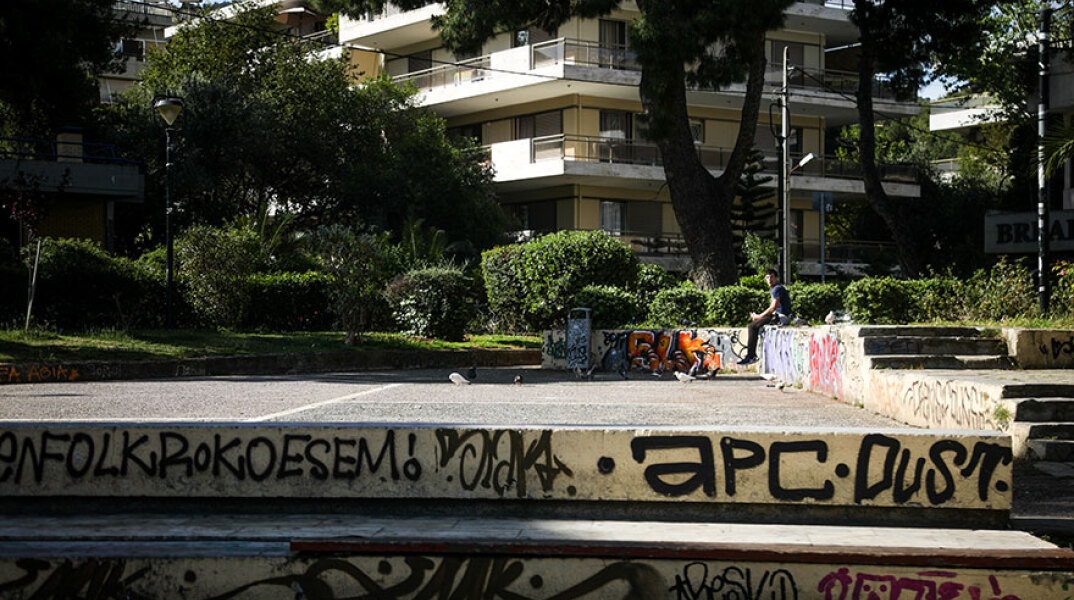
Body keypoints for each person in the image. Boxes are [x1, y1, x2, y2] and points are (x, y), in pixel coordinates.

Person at [737, 268, 792, 365]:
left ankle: (751, 356)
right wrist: (759, 317)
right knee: (755, 325)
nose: (770, 280)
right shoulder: (777, 288)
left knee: (752, 326)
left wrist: (758, 317)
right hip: (779, 316)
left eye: (772, 277)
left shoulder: (776, 289)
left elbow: (772, 308)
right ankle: (751, 355)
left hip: (781, 318)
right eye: (767, 277)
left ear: (777, 278)